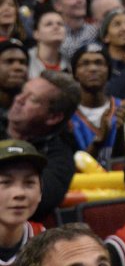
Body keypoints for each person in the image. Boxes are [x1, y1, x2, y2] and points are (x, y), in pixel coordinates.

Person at [2, 71, 79, 220]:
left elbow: (38, 203)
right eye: (23, 92)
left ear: (53, 117)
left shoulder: (60, 158)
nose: (19, 99)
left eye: (32, 99)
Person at [0, 139, 45, 266]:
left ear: (40, 193)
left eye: (29, 183)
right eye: (5, 183)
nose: (19, 194)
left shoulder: (45, 242)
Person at [70, 42, 125, 167]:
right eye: (85, 64)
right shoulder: (66, 114)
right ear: (75, 73)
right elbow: (68, 169)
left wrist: (120, 133)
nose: (93, 68)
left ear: (109, 71)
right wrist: (99, 140)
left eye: (99, 63)